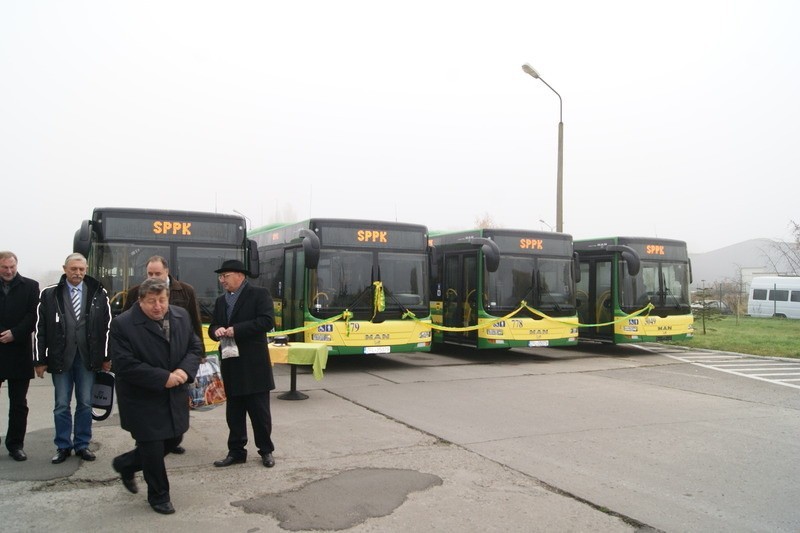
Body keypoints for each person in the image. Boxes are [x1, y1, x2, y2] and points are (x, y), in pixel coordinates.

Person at [110, 277, 201, 515]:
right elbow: (124, 364)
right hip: (141, 397)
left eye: (162, 300)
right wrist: (163, 377)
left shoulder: (181, 316)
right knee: (152, 448)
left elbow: (194, 346)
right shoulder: (123, 324)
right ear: (140, 301)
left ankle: (125, 464)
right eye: (152, 301)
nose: (158, 306)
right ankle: (159, 496)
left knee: (174, 439)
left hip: (174, 393)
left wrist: (184, 370)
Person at [122, 255, 204, 455]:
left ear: (167, 272)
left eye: (157, 273)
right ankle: (148, 446)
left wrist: (197, 356)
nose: (153, 277)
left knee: (175, 411)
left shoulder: (185, 291)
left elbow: (194, 322)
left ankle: (168, 441)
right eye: (150, 273)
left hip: (177, 359)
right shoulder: (135, 292)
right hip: (148, 359)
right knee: (150, 423)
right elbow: (126, 323)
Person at [34, 253, 111, 464]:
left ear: (86, 270)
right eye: (73, 269)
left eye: (81, 269)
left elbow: (107, 327)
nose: (77, 273)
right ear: (65, 269)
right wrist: (39, 360)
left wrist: (106, 356)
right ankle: (63, 446)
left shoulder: (98, 293)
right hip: (60, 358)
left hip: (87, 359)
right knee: (61, 404)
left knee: (85, 403)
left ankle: (82, 444)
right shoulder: (49, 295)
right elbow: (40, 329)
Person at [209, 259, 276, 468]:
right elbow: (213, 325)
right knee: (234, 414)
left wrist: (237, 329)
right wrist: (216, 331)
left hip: (254, 365)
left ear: (240, 275)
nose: (222, 281)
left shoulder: (259, 294)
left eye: (225, 276)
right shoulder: (221, 301)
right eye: (220, 277)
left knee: (260, 413)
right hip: (231, 364)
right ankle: (236, 451)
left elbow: (266, 321)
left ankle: (266, 450)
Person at [0, 251, 39, 462]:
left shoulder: (31, 287)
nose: (8, 271)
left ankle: (15, 445)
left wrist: (15, 333)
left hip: (19, 351)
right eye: (4, 267)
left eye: (12, 267)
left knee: (18, 404)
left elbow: (33, 315)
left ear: (17, 266)